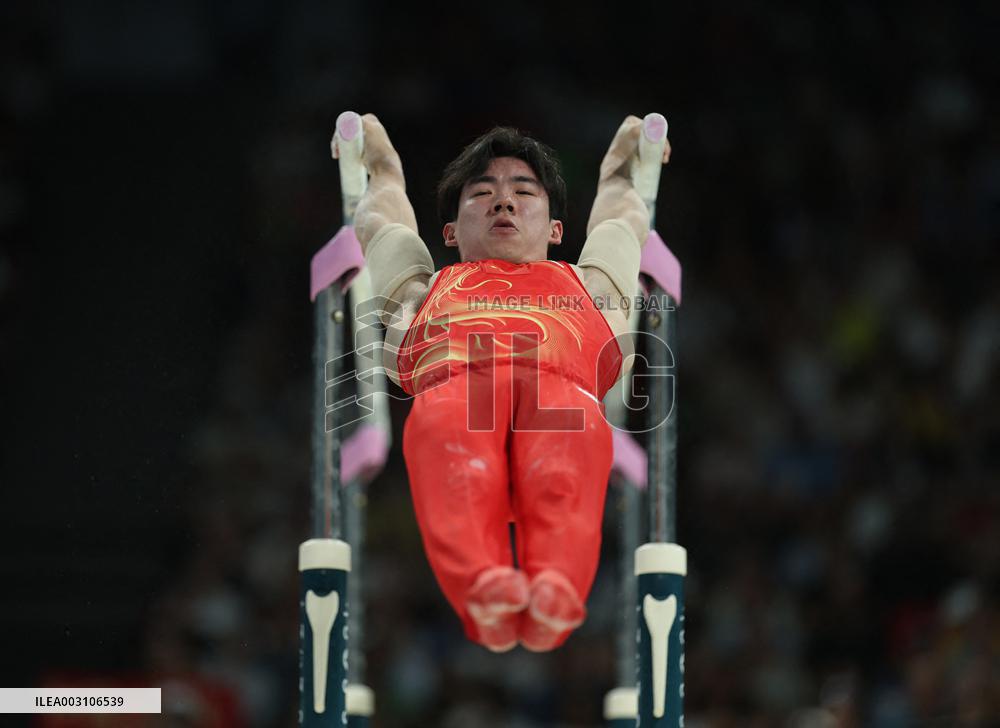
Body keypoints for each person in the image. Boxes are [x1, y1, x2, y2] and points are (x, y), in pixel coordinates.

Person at [334, 114, 669, 652]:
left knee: (564, 453)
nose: (504, 202)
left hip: (560, 396)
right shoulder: (422, 290)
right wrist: (380, 162)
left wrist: (618, 171)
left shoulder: (590, 285)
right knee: (450, 430)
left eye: (524, 192)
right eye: (482, 193)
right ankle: (482, 587)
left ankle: (555, 585)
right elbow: (381, 218)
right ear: (450, 232)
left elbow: (623, 218)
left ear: (556, 229)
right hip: (458, 391)